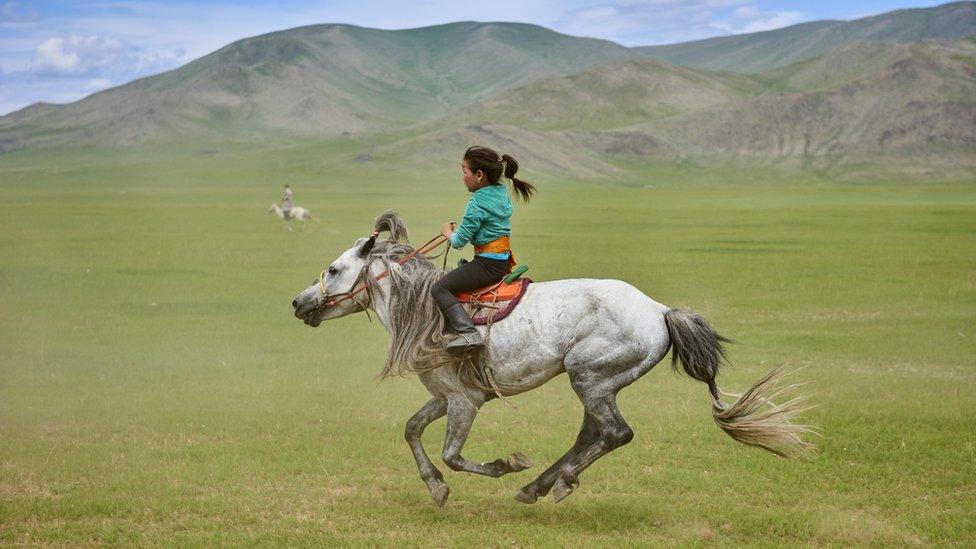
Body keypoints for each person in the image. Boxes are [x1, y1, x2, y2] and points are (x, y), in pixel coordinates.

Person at [431, 146, 536, 356]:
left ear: (479, 175)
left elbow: (460, 241)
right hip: (503, 260)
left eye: (465, 172)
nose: (463, 178)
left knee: (439, 289)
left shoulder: (477, 202)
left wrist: (447, 232)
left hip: (487, 264)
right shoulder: (501, 192)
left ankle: (468, 333)